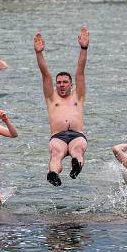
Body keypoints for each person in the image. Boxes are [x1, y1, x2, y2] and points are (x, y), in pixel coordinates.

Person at [34, 27, 89, 187]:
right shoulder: (51, 97)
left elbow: (80, 71)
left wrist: (83, 48)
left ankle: (76, 166)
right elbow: (45, 73)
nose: (61, 85)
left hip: (77, 134)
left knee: (77, 150)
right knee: (56, 154)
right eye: (59, 82)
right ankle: (53, 174)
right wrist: (39, 53)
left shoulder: (78, 95)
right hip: (58, 136)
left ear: (71, 84)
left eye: (65, 82)